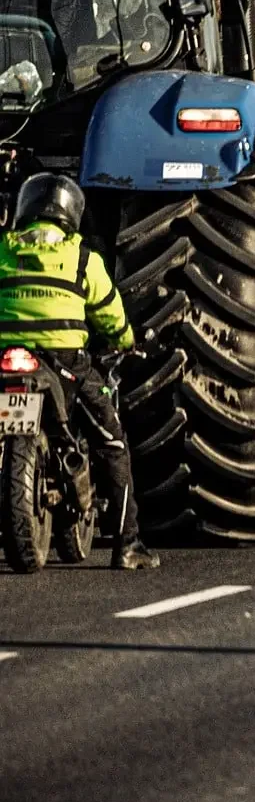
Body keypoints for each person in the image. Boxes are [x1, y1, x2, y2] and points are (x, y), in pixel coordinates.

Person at [0, 174, 154, 567]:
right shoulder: (84, 257)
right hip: (65, 363)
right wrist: (125, 341)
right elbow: (110, 314)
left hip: (7, 355)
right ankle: (128, 546)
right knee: (112, 443)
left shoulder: (3, 248)